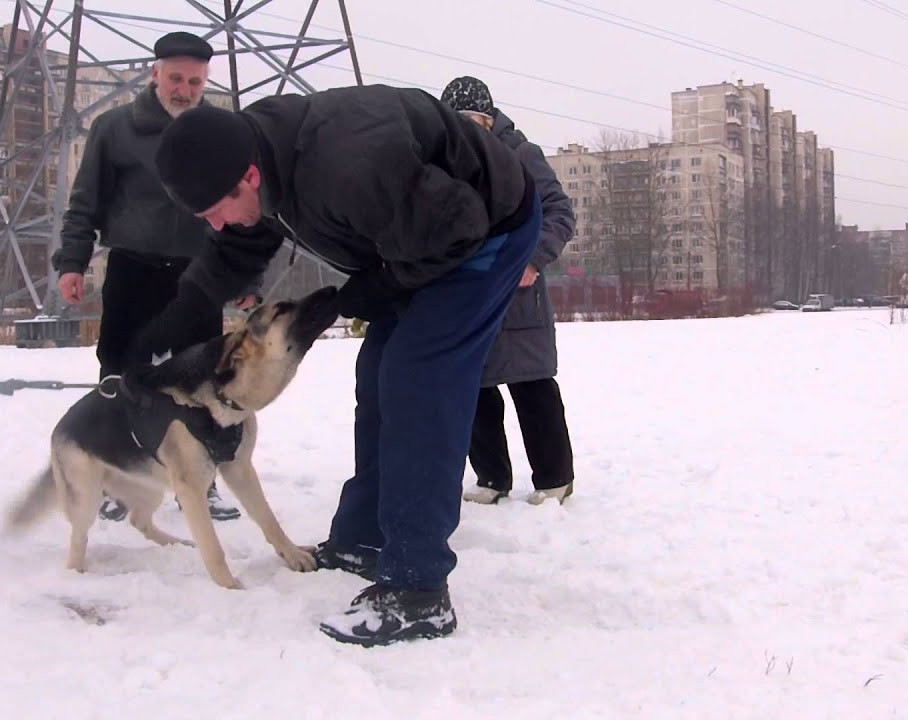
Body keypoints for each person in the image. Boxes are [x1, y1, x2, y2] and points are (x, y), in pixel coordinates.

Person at [134, 84, 542, 647]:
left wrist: (371, 290)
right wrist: (179, 319)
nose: (218, 225)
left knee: (417, 381)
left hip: (482, 232)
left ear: (248, 178)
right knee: (378, 374)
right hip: (415, 234)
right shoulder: (254, 152)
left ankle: (418, 591)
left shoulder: (350, 166)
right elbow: (242, 240)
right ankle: (365, 538)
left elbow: (458, 229)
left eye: (216, 211)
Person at [51, 31, 248, 524]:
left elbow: (247, 212)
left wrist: (244, 277)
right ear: (155, 73)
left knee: (204, 380)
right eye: (176, 78)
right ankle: (117, 477)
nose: (184, 89)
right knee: (121, 374)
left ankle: (201, 481)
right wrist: (72, 262)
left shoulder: (219, 131)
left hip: (198, 274)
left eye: (195, 81)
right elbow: (85, 202)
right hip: (134, 270)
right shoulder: (115, 128)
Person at [440, 76, 577, 506]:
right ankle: (491, 477)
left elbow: (559, 210)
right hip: (467, 292)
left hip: (520, 293)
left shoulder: (521, 154)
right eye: (458, 122)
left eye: (475, 121)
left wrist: (533, 259)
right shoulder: (443, 160)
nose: (468, 130)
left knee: (531, 385)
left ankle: (555, 479)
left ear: (491, 118)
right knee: (474, 388)